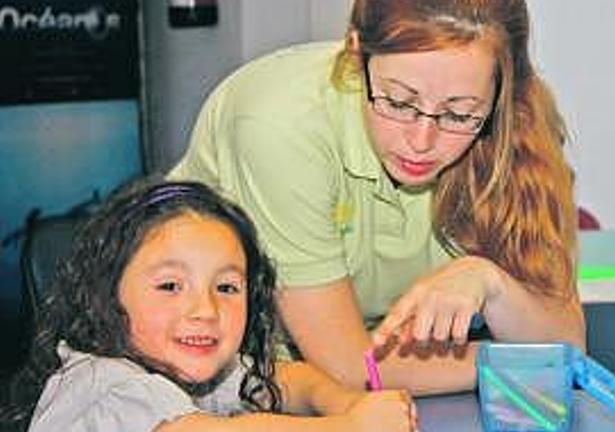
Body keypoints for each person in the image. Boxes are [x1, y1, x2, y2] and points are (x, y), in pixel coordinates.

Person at [168, 0, 585, 396]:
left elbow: (568, 344)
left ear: (501, 95)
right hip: (215, 370)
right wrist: (511, 362)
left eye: (460, 114)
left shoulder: (522, 122)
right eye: (399, 102)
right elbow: (347, 368)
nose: (421, 141)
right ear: (354, 55)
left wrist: (490, 283)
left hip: (380, 376)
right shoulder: (278, 125)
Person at [1, 180, 417, 432]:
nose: (205, 310)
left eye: (226, 288)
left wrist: (345, 402)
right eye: (169, 286)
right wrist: (358, 431)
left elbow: (292, 379)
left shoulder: (190, 368)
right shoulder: (103, 383)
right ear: (106, 297)